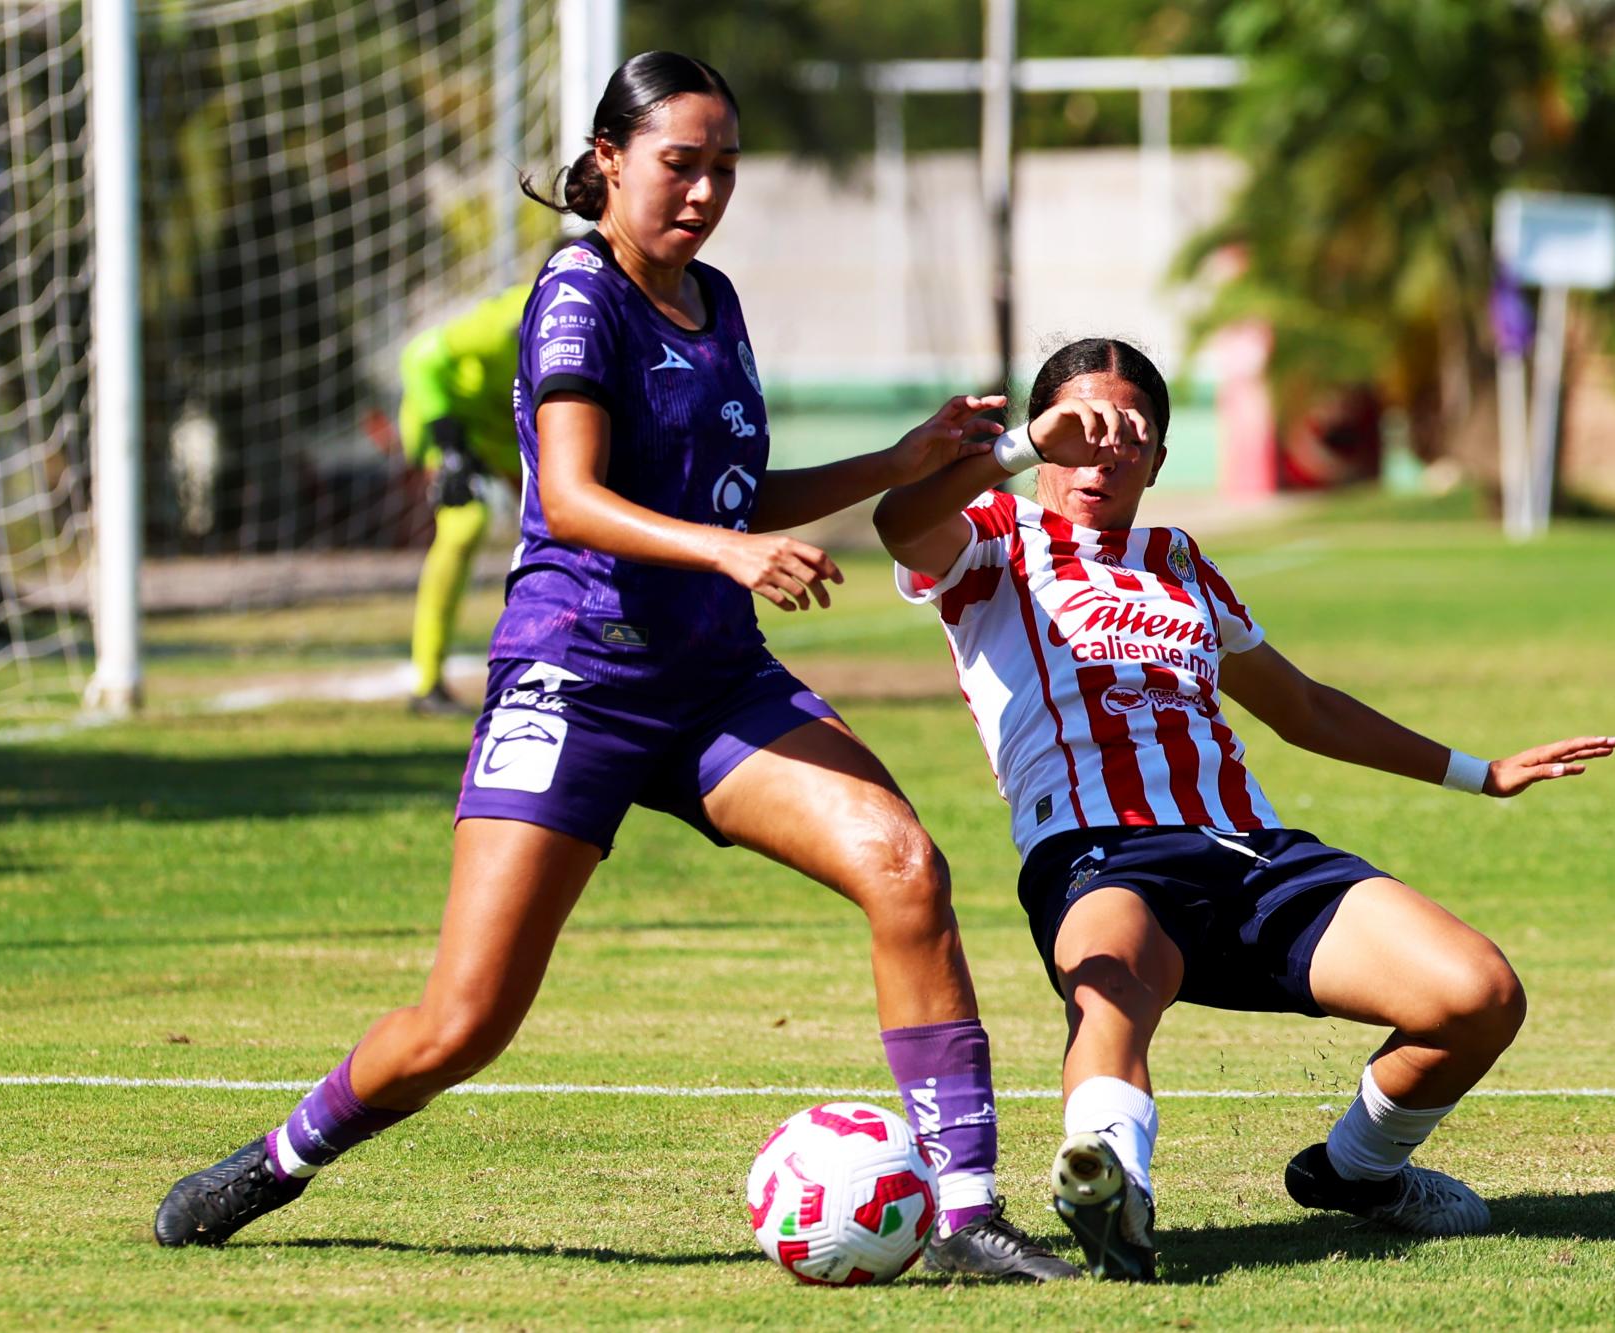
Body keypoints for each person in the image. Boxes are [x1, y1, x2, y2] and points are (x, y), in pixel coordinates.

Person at [153, 51, 1076, 1281]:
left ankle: (965, 1218)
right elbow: (577, 499)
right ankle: (278, 1159)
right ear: (608, 163)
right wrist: (729, 550)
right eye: (678, 165)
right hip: (576, 679)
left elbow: (741, 491)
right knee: (462, 1024)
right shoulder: (577, 293)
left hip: (714, 685)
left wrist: (895, 462)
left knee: (904, 867)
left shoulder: (719, 300)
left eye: (723, 170)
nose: (701, 193)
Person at [873, 337, 1615, 1281]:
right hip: (1099, 853)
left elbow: (1302, 707)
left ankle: (1357, 1171)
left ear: (1159, 457)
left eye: (1128, 434)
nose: (1102, 453)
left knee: (1478, 995)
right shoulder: (992, 536)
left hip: (1255, 852)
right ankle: (1113, 1189)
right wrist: (1024, 444)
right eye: (1083, 430)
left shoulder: (1182, 561)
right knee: (1113, 983)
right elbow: (901, 520)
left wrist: (1481, 770)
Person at [398, 283, 531, 716]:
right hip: (454, 422)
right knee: (465, 525)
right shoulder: (510, 321)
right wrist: (448, 442)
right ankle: (426, 682)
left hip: (506, 431)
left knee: (562, 528)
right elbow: (420, 357)